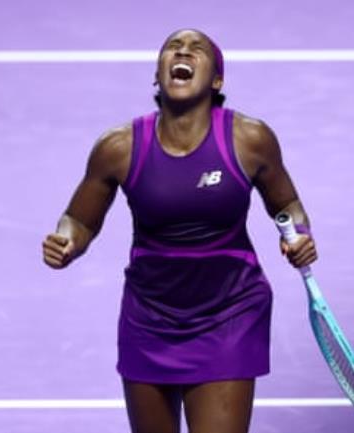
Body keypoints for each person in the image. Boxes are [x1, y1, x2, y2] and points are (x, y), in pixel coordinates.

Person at [42, 29, 317, 433]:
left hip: (230, 312)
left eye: (196, 49)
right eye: (173, 47)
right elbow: (80, 219)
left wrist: (298, 235)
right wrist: (67, 241)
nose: (182, 51)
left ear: (217, 81)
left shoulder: (250, 139)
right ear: (158, 74)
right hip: (149, 316)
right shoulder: (118, 147)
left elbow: (286, 206)